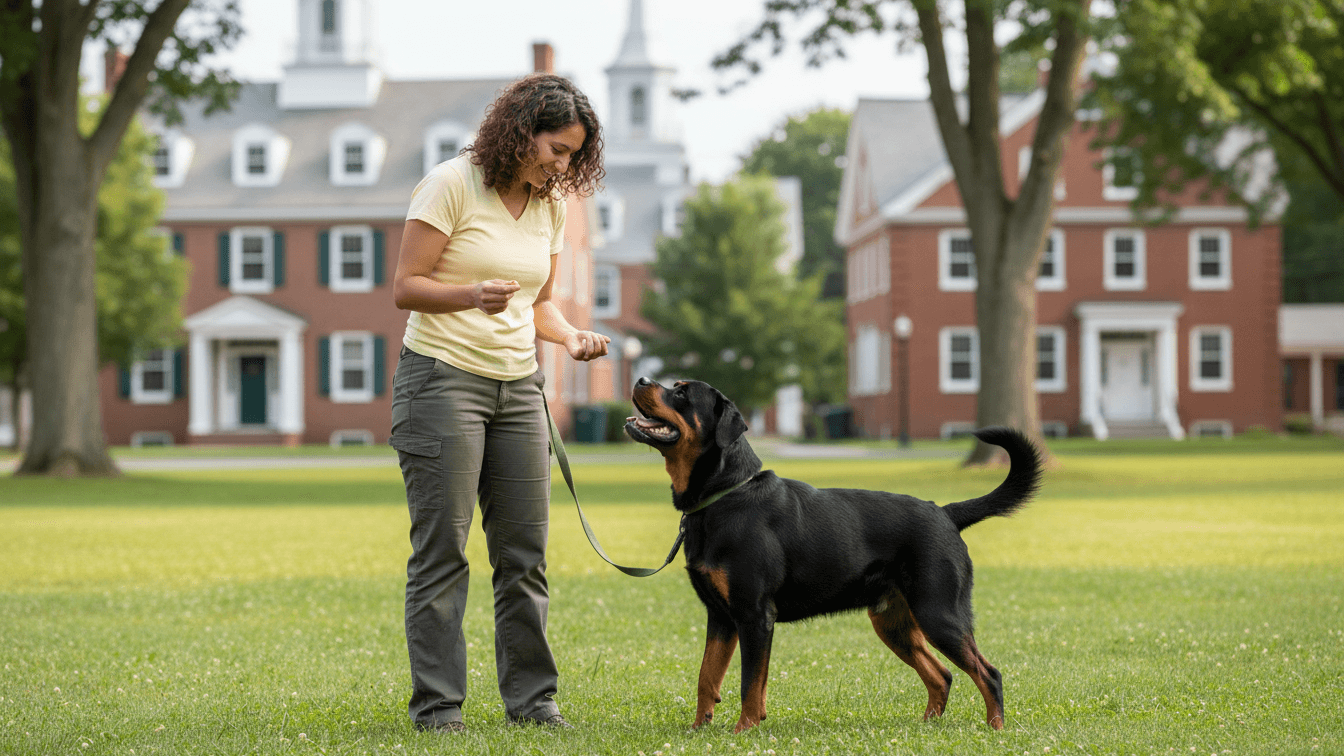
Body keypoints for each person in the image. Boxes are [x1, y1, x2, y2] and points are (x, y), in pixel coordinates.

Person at [388, 72, 609, 733]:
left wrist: (570, 338)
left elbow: (539, 303)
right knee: (443, 551)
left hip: (519, 389)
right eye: (555, 149)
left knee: (524, 554)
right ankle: (438, 707)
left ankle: (534, 701)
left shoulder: (551, 204)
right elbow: (406, 286)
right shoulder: (451, 184)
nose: (561, 164)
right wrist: (468, 295)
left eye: (572, 154)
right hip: (441, 380)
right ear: (520, 133)